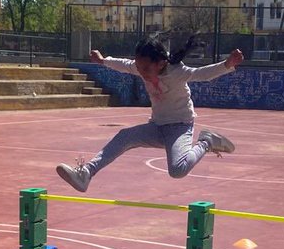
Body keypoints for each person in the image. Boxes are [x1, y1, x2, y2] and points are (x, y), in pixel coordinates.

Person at [55, 34, 241, 193]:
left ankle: (207, 141)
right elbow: (125, 64)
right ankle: (86, 173)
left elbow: (202, 74)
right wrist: (103, 60)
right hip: (157, 127)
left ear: (160, 64)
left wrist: (227, 64)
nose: (141, 72)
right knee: (124, 136)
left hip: (180, 127)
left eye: (145, 69)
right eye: (139, 67)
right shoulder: (140, 66)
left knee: (177, 170)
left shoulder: (177, 71)